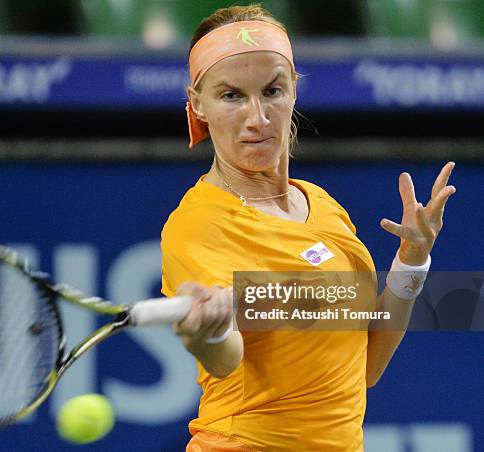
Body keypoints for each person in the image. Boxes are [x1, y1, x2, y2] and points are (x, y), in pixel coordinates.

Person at [160, 4, 456, 451]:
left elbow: (366, 367)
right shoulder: (197, 225)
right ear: (197, 103)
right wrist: (212, 332)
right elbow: (225, 360)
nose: (257, 118)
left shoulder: (322, 206)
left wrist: (412, 261)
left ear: (294, 90)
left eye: (272, 91)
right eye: (232, 96)